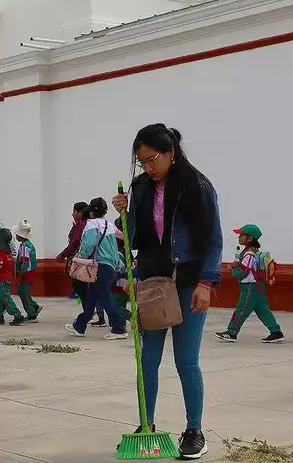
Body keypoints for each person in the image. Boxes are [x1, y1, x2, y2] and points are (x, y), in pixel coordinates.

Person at [113, 124, 221, 460]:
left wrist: (206, 283)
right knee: (147, 360)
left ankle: (194, 430)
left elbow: (214, 239)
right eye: (142, 162)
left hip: (187, 283)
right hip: (152, 286)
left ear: (171, 152)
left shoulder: (196, 186)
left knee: (186, 362)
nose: (147, 167)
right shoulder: (141, 188)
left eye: (152, 159)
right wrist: (124, 213)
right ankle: (147, 424)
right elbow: (134, 235)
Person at [66, 198, 127, 340]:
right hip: (111, 267)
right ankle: (79, 326)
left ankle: (119, 328)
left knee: (105, 300)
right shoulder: (109, 225)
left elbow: (88, 245)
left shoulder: (92, 225)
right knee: (91, 298)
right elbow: (122, 239)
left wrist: (80, 258)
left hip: (98, 267)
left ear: (91, 211)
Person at [215, 224, 283, 343]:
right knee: (263, 310)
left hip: (250, 287)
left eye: (242, 235)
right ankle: (276, 332)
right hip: (258, 286)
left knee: (242, 309)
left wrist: (233, 269)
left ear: (250, 239)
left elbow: (243, 272)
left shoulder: (248, 254)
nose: (239, 237)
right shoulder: (255, 252)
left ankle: (232, 332)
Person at [0, 228, 22, 325]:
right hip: (5, 278)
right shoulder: (9, 251)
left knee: (5, 298)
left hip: (2, 280)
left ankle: (17, 315)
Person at [57, 201, 90, 302]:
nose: (73, 214)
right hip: (88, 260)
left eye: (74, 211)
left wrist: (62, 255)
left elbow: (75, 242)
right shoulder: (87, 224)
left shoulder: (82, 225)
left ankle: (88, 311)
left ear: (81, 213)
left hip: (81, 261)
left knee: (80, 286)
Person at [14, 220, 41, 323]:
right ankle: (34, 307)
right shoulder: (28, 244)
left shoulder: (25, 247)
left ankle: (31, 315)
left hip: (26, 274)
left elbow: (25, 261)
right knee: (25, 293)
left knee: (23, 294)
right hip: (31, 273)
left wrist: (21, 272)